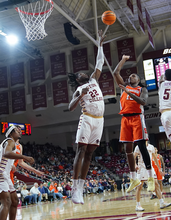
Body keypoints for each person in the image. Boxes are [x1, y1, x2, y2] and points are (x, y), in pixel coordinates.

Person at [68, 30, 106, 205]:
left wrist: (100, 44)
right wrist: (79, 95)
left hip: (100, 120)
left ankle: (81, 189)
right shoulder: (79, 89)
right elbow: (70, 108)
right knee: (81, 150)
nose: (83, 73)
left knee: (90, 154)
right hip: (87, 118)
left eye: (83, 72)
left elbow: (100, 62)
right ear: (77, 80)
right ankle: (75, 188)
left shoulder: (93, 80)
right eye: (79, 74)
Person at [113, 55, 155, 193]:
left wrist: (128, 92)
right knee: (128, 150)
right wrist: (124, 59)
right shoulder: (123, 87)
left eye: (134, 76)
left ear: (138, 80)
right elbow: (115, 73)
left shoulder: (142, 89)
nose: (131, 77)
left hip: (137, 118)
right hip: (125, 119)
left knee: (142, 147)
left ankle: (150, 179)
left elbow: (143, 102)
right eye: (130, 76)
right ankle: (133, 178)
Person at [0, 125, 34, 220]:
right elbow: (6, 153)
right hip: (0, 173)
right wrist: (24, 157)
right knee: (6, 202)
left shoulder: (4, 143)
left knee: (14, 201)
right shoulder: (10, 141)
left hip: (5, 174)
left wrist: (10, 164)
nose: (19, 132)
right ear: (11, 133)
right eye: (17, 130)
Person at [134, 142, 171, 211]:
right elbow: (133, 157)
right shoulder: (138, 147)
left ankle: (161, 202)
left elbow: (155, 158)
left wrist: (159, 169)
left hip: (150, 168)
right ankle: (138, 205)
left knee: (156, 184)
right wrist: (135, 165)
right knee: (139, 186)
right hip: (141, 168)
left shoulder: (151, 147)